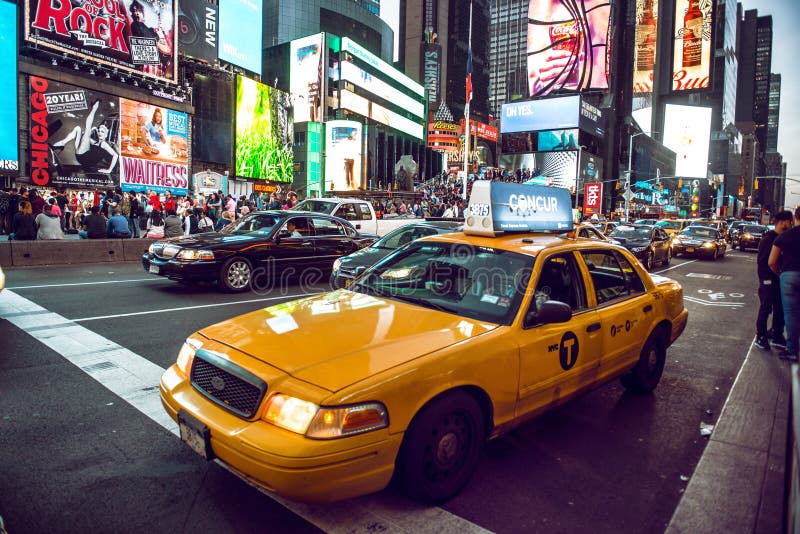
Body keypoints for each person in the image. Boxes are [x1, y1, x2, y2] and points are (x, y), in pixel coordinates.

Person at [755, 210, 793, 350]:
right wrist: (775, 274)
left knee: (779, 307)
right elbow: (764, 262)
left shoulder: (783, 238)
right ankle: (761, 336)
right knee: (766, 307)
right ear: (783, 222)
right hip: (768, 279)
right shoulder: (769, 238)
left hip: (778, 279)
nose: (791, 224)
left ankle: (777, 335)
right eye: (790, 221)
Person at [50, 100, 118, 174]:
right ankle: (62, 144)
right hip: (82, 156)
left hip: (85, 158)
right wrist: (93, 130)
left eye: (102, 132)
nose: (99, 133)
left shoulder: (104, 144)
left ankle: (94, 108)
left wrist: (109, 170)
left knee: (87, 128)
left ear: (106, 135)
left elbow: (115, 155)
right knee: (78, 129)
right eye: (99, 131)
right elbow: (85, 137)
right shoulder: (96, 142)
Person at [769, 206, 800, 361]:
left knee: (791, 314)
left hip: (789, 276)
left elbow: (772, 262)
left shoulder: (785, 236)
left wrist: (781, 274)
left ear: (795, 218)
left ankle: (792, 350)